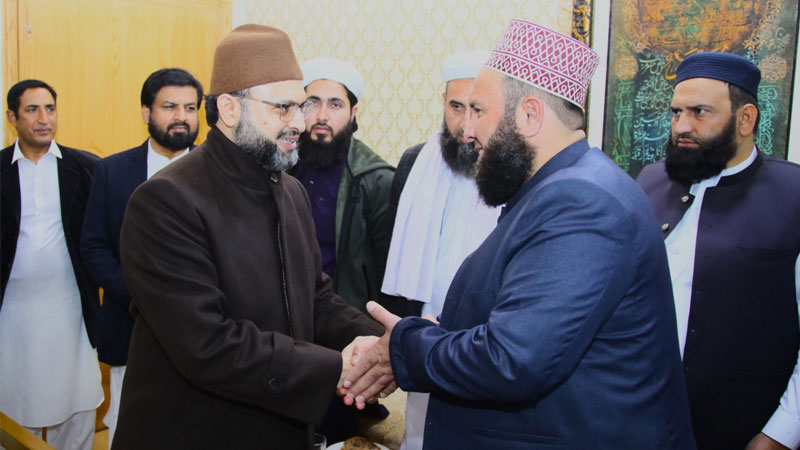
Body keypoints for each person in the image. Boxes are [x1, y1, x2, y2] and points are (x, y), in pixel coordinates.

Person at [342, 20, 697, 449]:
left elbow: (514, 358)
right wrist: (420, 331)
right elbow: (519, 315)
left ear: (529, 114)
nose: (468, 134)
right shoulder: (556, 190)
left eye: (480, 112)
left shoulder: (582, 202)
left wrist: (405, 349)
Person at [112, 24, 383, 450]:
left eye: (304, 105)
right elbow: (208, 345)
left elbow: (316, 300)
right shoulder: (165, 201)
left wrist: (384, 343)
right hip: (194, 432)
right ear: (230, 109)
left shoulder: (289, 190)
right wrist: (335, 367)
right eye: (284, 108)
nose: (300, 121)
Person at [637, 51, 800, 450]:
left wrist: (779, 435)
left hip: (741, 430)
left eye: (699, 112)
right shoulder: (650, 180)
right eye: (676, 113)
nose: (681, 127)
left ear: (745, 120)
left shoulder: (793, 195)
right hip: (640, 418)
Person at [380, 50, 501, 450]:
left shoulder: (509, 170)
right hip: (427, 333)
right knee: (420, 433)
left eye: (477, 109)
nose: (466, 125)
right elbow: (395, 254)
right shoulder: (416, 162)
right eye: (456, 107)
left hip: (486, 340)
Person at [80, 67, 203, 444]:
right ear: (146, 112)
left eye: (190, 107)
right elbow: (94, 245)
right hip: (131, 323)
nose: (181, 116)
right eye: (169, 106)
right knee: (128, 425)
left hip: (204, 330)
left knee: (194, 426)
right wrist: (138, 294)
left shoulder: (219, 172)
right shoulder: (112, 170)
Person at [0, 79, 102, 450]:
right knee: (11, 400)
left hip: (71, 310)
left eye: (50, 109)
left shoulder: (87, 169)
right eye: (32, 110)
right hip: (11, 315)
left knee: (75, 401)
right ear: (12, 116)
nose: (44, 119)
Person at [291, 57, 394, 313]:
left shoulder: (375, 179)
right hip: (289, 311)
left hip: (344, 317)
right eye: (312, 104)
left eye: (335, 105)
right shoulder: (282, 167)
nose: (322, 116)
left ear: (353, 113)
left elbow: (385, 272)